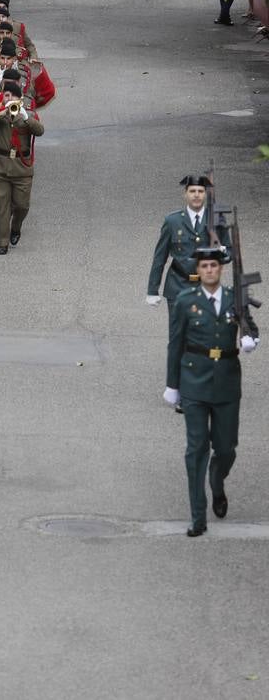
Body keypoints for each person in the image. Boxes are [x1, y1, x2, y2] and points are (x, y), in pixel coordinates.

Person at [164, 248, 259, 537]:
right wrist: (172, 384)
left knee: (226, 448)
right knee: (196, 450)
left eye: (213, 266)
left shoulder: (234, 299)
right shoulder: (185, 301)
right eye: (204, 266)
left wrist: (249, 338)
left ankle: (217, 480)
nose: (208, 270)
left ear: (220, 270)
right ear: (199, 269)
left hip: (227, 381)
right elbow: (175, 343)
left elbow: (250, 327)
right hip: (194, 380)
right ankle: (198, 517)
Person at [147, 174, 232, 325]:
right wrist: (152, 290)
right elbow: (160, 257)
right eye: (192, 191)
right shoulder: (172, 221)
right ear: (185, 194)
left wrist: (222, 253)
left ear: (205, 194)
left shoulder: (217, 219)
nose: (196, 195)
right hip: (177, 286)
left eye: (200, 191)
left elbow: (230, 252)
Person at [0, 82, 44, 254]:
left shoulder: (27, 114)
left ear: (19, 98)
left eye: (12, 96)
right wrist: (1, 110)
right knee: (2, 205)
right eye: (6, 95)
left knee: (22, 206)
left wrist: (26, 117)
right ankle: (2, 242)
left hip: (21, 168)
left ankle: (16, 227)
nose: (9, 99)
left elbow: (40, 131)